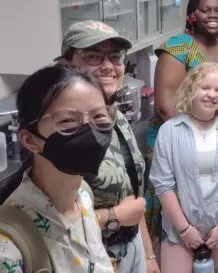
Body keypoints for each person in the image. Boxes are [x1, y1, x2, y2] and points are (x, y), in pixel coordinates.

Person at [57, 20, 158, 273]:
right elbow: (47, 223)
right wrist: (113, 217)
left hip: (130, 250)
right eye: (93, 57)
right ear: (65, 64)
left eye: (115, 57)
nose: (108, 66)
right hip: (87, 260)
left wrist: (147, 255)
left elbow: (131, 194)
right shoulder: (61, 133)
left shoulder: (115, 117)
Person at [144, 0, 218, 248]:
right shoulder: (178, 46)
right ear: (192, 15)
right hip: (175, 141)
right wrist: (202, 142)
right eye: (205, 9)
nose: (212, 15)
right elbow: (165, 107)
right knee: (178, 221)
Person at [0, 65, 114, 272]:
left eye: (99, 116)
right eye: (68, 121)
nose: (91, 131)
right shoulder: (8, 246)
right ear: (30, 140)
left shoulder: (83, 196)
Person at [149, 63, 218, 273]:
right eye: (205, 88)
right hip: (179, 229)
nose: (212, 95)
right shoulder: (170, 132)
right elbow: (163, 185)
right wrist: (185, 230)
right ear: (191, 88)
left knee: (215, 269)